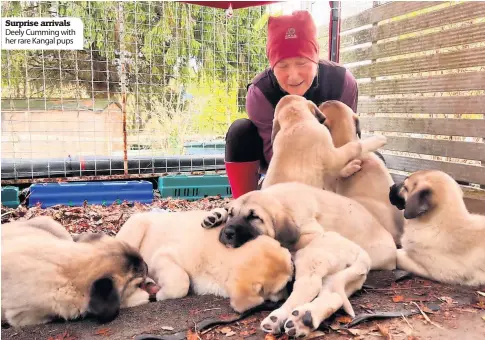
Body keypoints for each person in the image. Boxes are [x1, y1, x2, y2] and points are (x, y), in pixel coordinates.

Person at [225, 10, 358, 198]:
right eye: (283, 66)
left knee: (374, 159)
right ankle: (244, 205)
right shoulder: (260, 92)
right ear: (272, 66)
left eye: (302, 63)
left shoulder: (343, 82)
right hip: (282, 160)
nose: (293, 76)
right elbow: (276, 155)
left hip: (331, 159)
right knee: (240, 132)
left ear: (315, 59)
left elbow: (346, 139)